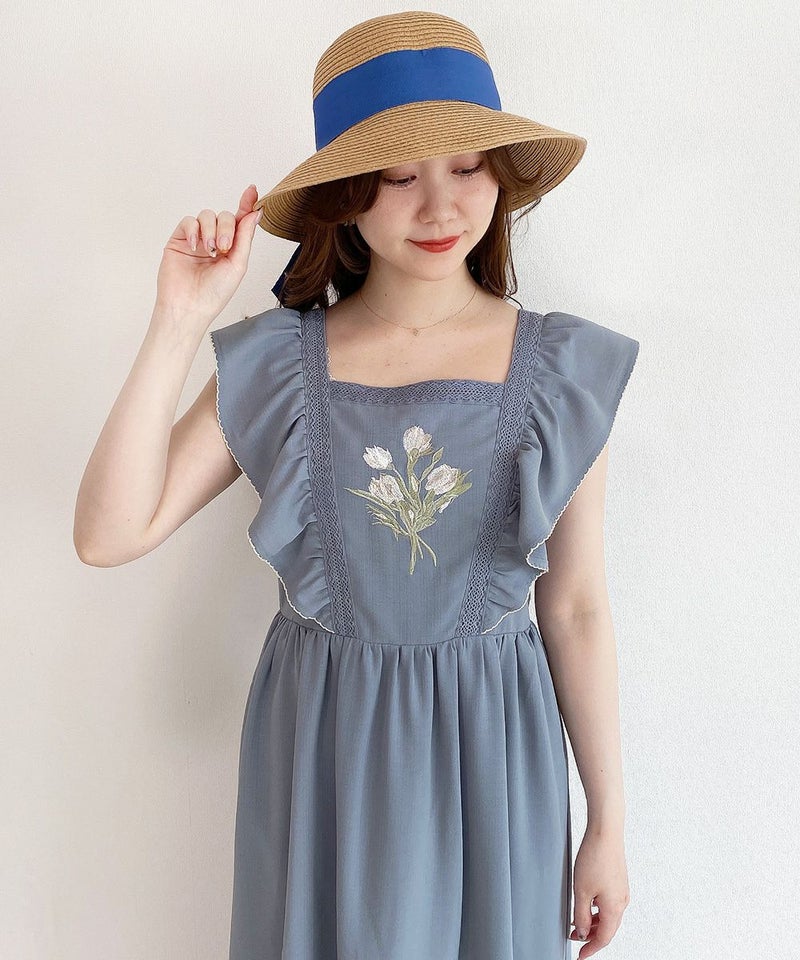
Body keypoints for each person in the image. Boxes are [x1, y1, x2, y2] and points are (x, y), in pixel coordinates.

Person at [74, 10, 640, 960]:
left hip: (497, 763)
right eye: (400, 175)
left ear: (500, 174)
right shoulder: (277, 367)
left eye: (467, 166)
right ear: (346, 192)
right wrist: (178, 320)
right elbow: (108, 533)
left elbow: (576, 607)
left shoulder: (561, 370)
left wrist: (609, 823)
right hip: (324, 761)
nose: (440, 207)